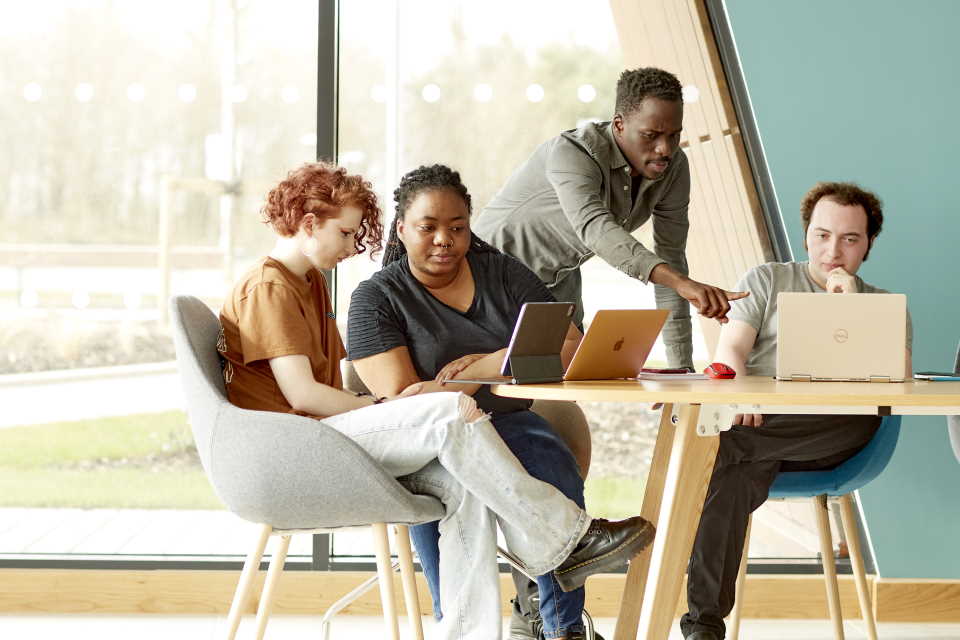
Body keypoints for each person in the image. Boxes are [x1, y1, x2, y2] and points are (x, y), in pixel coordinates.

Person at [216, 162, 655, 640]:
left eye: (457, 227)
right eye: (345, 233)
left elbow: (566, 344)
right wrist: (405, 406)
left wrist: (458, 382)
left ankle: (477, 628)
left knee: (460, 467)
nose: (352, 246)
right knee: (445, 413)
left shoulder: (309, 282)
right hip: (294, 447)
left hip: (327, 433)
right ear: (308, 223)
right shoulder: (273, 286)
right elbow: (304, 395)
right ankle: (568, 538)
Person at [346, 164, 645, 640]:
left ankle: (562, 628)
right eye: (428, 228)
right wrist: (497, 368)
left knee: (550, 459)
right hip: (430, 446)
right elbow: (408, 403)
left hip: (506, 421)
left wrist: (487, 363)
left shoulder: (503, 273)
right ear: (402, 230)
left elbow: (567, 345)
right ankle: (462, 621)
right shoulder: (376, 298)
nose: (444, 239)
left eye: (458, 227)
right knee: (445, 489)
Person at [679, 181, 913, 640]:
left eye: (850, 239)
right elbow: (731, 350)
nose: (834, 251)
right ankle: (704, 628)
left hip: (838, 430)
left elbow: (899, 379)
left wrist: (847, 306)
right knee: (734, 472)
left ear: (868, 245)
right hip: (763, 424)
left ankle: (689, 614)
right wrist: (738, 393)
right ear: (806, 234)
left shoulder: (884, 305)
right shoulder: (766, 280)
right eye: (823, 235)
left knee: (722, 450)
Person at [472, 66, 746, 373]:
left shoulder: (674, 168)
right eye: (651, 135)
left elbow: (672, 258)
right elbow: (596, 230)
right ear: (618, 124)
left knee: (565, 381)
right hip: (488, 277)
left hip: (556, 283)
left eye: (674, 135)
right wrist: (681, 282)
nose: (664, 149)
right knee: (496, 383)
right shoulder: (572, 152)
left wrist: (681, 370)